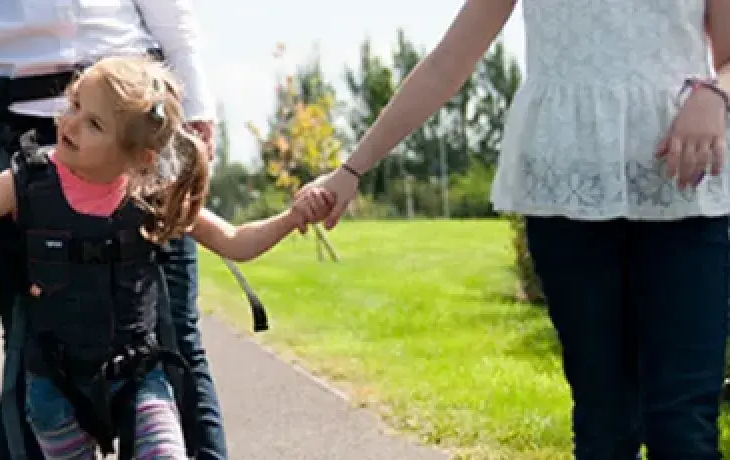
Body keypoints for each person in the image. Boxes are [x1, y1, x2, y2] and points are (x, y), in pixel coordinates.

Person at [308, 0, 730, 458]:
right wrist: (352, 169)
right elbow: (447, 63)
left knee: (682, 425)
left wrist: (716, 94)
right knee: (604, 422)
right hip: (566, 194)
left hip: (687, 193)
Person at [0, 55, 333, 459]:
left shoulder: (150, 195)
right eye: (74, 104)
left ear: (138, 158)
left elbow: (237, 241)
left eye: (93, 123)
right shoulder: (24, 182)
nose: (69, 122)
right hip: (55, 388)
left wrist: (293, 217)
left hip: (138, 377)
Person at [0, 1, 230, 458]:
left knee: (174, 341)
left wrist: (197, 105)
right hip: (7, 131)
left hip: (135, 120)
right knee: (35, 349)